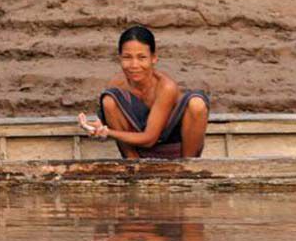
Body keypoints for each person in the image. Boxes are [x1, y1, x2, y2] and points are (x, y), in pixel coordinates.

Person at [78, 25, 210, 159]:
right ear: (120, 59)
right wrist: (98, 126)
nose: (134, 65)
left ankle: (188, 168)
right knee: (109, 100)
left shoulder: (166, 87)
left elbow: (150, 139)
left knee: (196, 104)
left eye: (142, 58)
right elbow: (110, 120)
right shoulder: (117, 84)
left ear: (154, 58)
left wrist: (108, 132)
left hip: (173, 149)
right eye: (127, 57)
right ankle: (133, 164)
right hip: (138, 152)